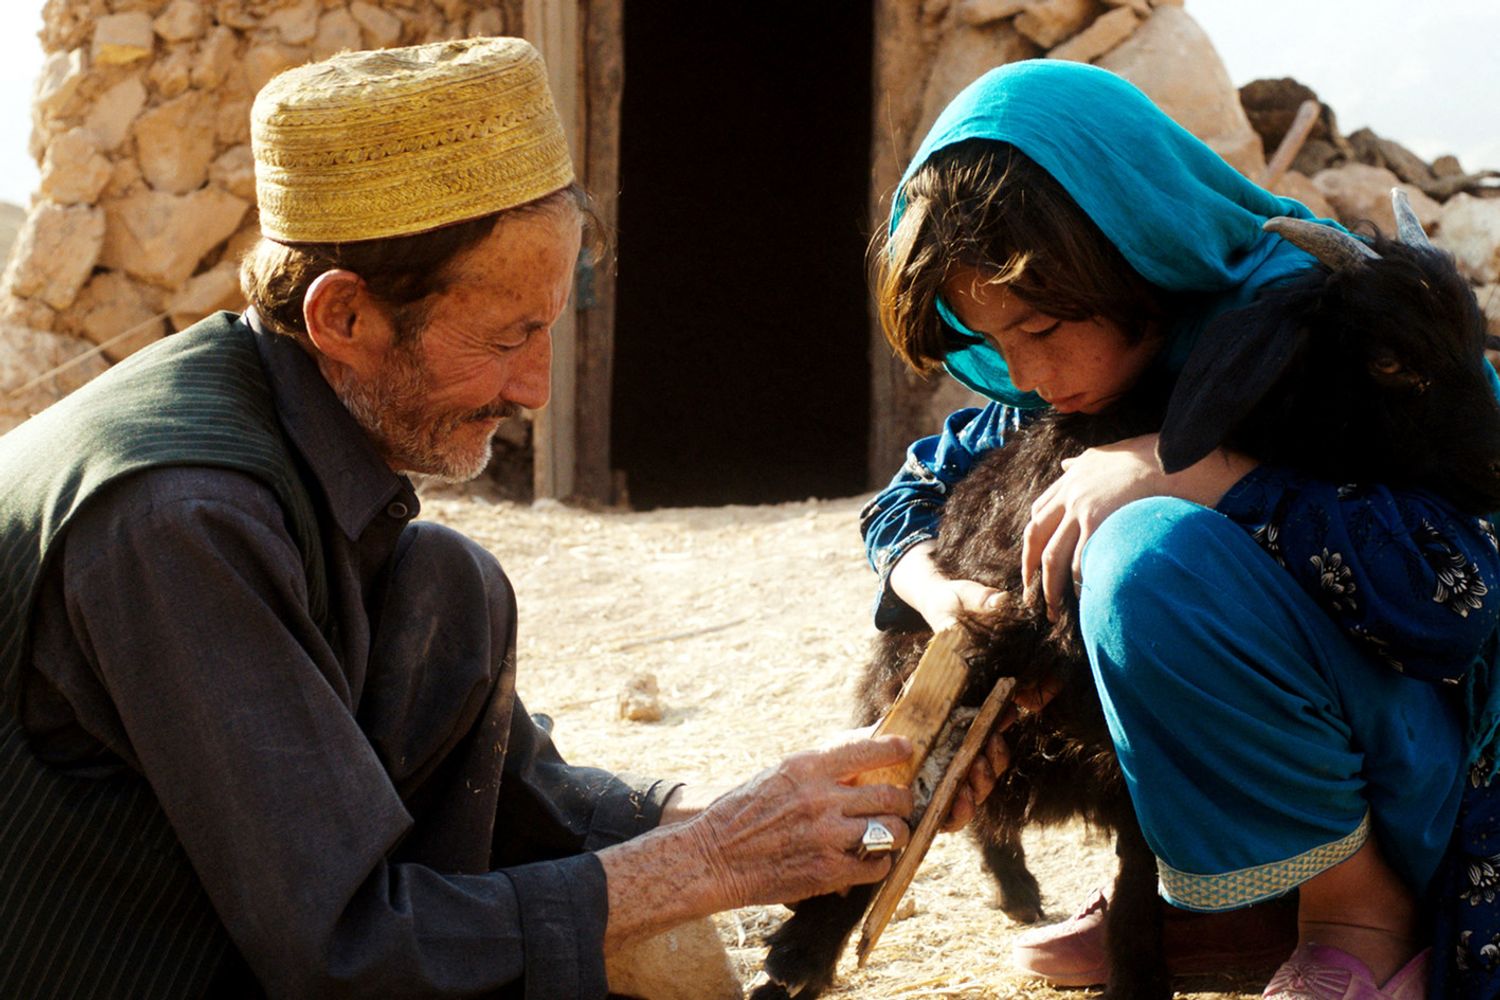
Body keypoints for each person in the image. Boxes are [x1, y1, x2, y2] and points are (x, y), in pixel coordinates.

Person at [0, 38, 922, 999]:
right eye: (507, 337)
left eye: (548, 328)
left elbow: (522, 794)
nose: (535, 388)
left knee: (448, 585)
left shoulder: (290, 449)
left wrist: (750, 819)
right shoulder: (182, 520)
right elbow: (346, 950)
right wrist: (715, 861)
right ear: (343, 318)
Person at [862, 59, 1500, 999]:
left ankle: (1361, 918)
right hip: (1325, 762)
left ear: (1126, 253)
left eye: (1039, 329)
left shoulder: (1340, 332)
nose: (1023, 373)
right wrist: (938, 595)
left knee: (1144, 558)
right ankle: (1222, 906)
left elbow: (1457, 592)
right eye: (993, 341)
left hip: (1430, 767)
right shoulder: (1090, 368)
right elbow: (914, 490)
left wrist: (1190, 471)